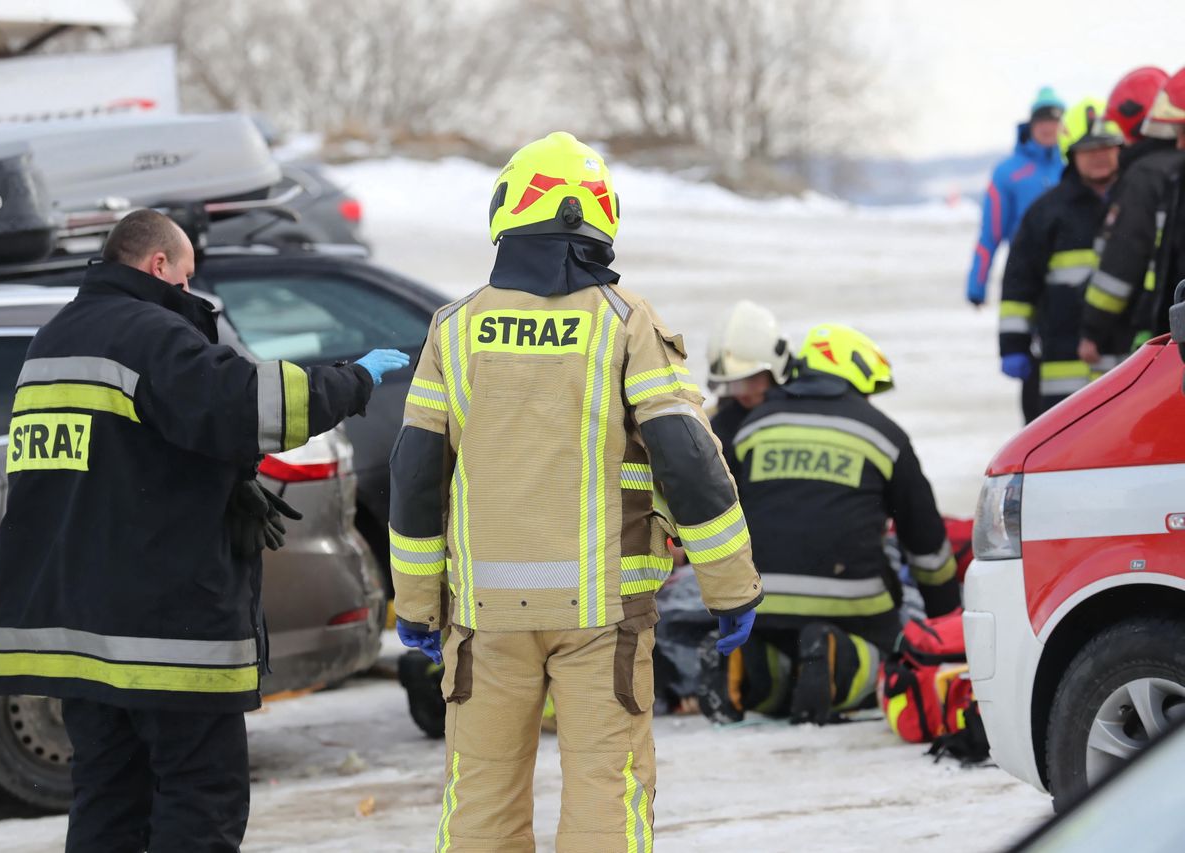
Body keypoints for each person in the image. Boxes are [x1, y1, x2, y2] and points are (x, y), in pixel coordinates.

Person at [0, 210, 409, 852]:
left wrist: (224, 478)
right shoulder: (147, 333)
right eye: (186, 277)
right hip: (162, 631)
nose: (190, 291)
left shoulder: (54, 339)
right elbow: (249, 406)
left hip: (79, 628)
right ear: (159, 266)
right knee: (198, 797)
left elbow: (115, 462)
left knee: (108, 800)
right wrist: (354, 380)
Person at [388, 131, 762, 852]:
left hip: (485, 617)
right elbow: (687, 460)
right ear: (594, 217)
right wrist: (731, 587)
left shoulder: (454, 329)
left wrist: (414, 602)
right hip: (604, 618)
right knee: (604, 802)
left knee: (480, 807)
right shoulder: (626, 322)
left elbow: (415, 473)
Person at [698, 325, 960, 726]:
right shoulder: (884, 435)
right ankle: (843, 660)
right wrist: (947, 620)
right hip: (852, 606)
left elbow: (721, 507)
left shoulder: (754, 426)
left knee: (779, 664)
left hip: (759, 599)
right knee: (888, 662)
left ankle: (747, 667)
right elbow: (926, 545)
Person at [1000, 102, 1124, 420]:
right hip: (1062, 365)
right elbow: (1019, 281)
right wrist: (1014, 345)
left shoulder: (1138, 204)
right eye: (1088, 149)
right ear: (1071, 152)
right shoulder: (1046, 212)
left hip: (1127, 361)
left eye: (1105, 147)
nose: (1098, 155)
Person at [1080, 68, 1185, 361]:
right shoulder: (1169, 169)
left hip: (1148, 329)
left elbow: (1124, 256)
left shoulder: (1143, 175)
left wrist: (1092, 329)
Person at [966, 87, 1066, 308]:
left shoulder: (1076, 166)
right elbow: (990, 234)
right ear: (1031, 125)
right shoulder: (1007, 172)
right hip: (1024, 271)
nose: (1047, 127)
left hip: (1071, 278)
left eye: (1054, 120)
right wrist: (977, 286)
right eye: (1041, 120)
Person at [705, 299, 792, 468]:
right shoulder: (719, 432)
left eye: (750, 379)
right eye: (733, 383)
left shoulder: (803, 413)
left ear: (775, 372)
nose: (741, 392)